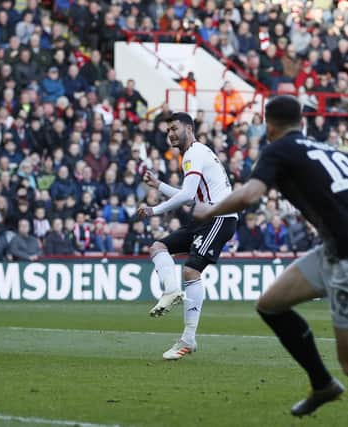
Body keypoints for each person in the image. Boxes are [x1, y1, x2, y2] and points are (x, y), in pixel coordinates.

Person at [193, 95, 347, 417]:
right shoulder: (326, 149)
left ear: (268, 124)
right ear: (302, 121)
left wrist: (209, 210)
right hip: (333, 248)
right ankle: (322, 384)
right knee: (271, 304)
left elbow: (249, 194)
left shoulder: (278, 149)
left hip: (345, 254)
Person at [137, 112, 237, 360]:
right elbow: (190, 195)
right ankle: (171, 291)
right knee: (158, 247)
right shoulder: (194, 153)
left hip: (220, 217)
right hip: (204, 216)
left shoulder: (194, 153)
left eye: (174, 128)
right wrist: (159, 186)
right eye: (167, 129)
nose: (170, 133)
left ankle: (188, 338)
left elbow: (186, 195)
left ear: (189, 129)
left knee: (191, 271)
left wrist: (154, 209)